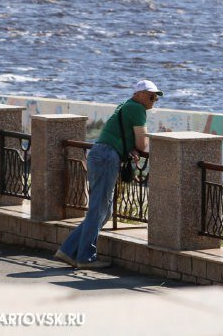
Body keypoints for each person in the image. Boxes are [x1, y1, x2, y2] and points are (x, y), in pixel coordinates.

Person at [55, 79, 163, 269]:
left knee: (103, 211)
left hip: (102, 154)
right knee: (98, 210)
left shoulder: (126, 105)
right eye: (151, 95)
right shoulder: (137, 108)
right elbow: (142, 144)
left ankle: (68, 250)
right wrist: (135, 148)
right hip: (106, 157)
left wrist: (129, 149)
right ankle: (85, 257)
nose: (154, 99)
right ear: (138, 95)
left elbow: (125, 138)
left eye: (156, 97)